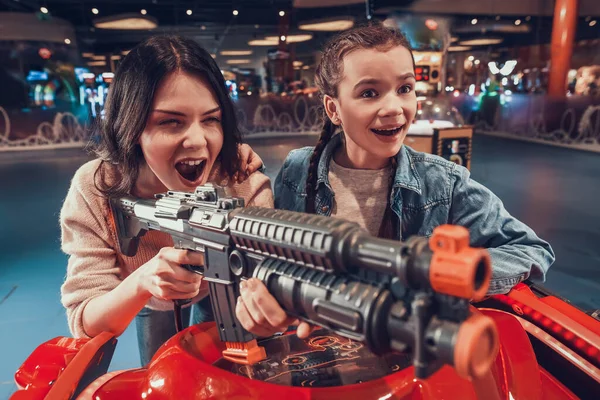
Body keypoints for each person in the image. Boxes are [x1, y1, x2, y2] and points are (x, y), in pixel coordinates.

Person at [235, 23, 555, 338]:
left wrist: (449, 278)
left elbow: (530, 249)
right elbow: (273, 256)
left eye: (404, 88)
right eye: (369, 93)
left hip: (403, 358)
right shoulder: (298, 168)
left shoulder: (442, 183)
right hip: (314, 351)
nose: (394, 108)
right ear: (333, 108)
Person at [59, 35, 273, 365]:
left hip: (217, 286)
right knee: (160, 369)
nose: (198, 140)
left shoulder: (241, 179)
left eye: (211, 119)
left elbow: (267, 275)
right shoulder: (97, 187)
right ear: (130, 126)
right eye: (170, 121)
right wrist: (144, 282)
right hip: (148, 298)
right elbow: (86, 322)